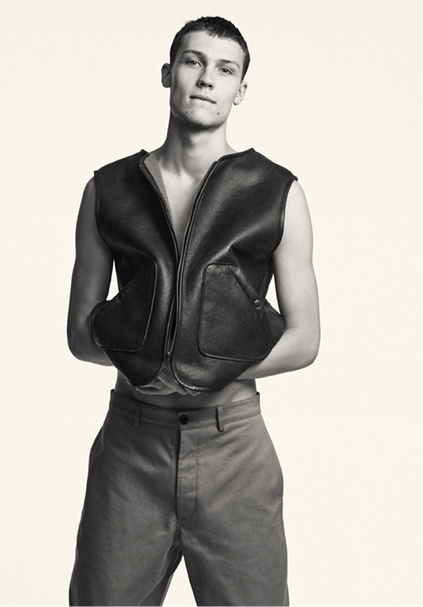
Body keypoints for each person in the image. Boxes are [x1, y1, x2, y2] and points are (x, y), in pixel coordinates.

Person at [67, 16, 320, 607]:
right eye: (193, 61)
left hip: (235, 448)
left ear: (241, 90)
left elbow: (305, 338)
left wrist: (202, 367)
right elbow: (81, 333)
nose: (207, 78)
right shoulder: (108, 188)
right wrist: (151, 362)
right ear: (168, 73)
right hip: (131, 449)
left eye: (225, 69)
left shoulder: (277, 191)